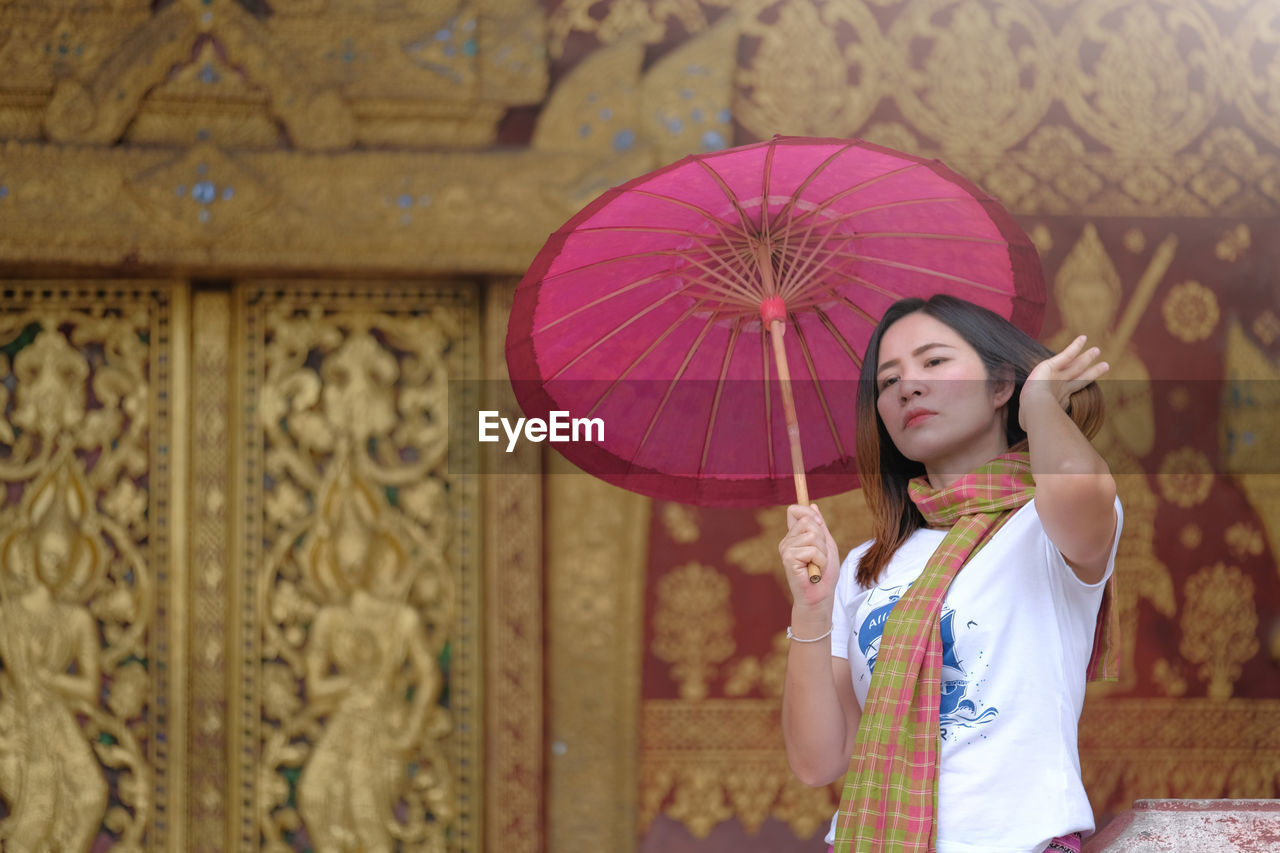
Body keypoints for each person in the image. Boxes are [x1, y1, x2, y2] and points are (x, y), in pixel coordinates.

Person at [777, 295, 1121, 853]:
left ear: (1000, 384)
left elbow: (1082, 488)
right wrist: (810, 609)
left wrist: (1039, 404)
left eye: (933, 362)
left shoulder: (1043, 525)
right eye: (888, 381)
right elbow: (817, 761)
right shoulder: (866, 565)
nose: (907, 386)